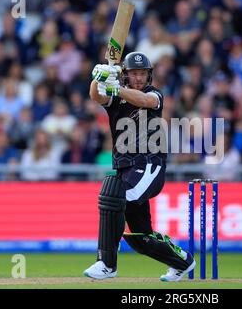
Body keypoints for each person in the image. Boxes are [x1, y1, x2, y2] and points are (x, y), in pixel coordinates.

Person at [83, 52, 195, 281]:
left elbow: (144, 101)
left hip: (149, 166)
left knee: (113, 197)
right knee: (139, 237)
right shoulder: (116, 99)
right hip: (126, 169)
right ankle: (183, 262)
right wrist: (98, 77)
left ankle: (106, 264)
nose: (139, 78)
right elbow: (96, 96)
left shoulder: (155, 95)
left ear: (149, 75)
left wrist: (114, 88)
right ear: (125, 75)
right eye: (134, 74)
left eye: (142, 73)